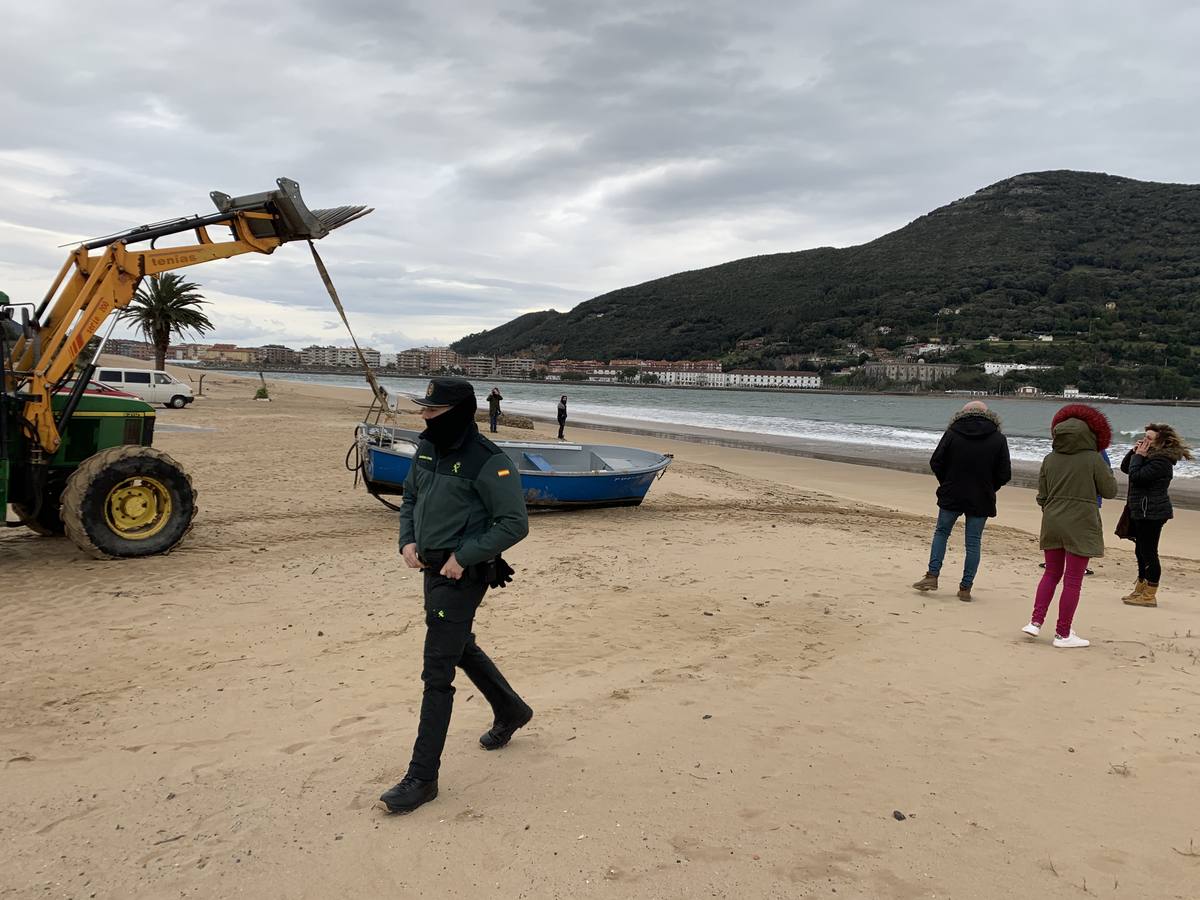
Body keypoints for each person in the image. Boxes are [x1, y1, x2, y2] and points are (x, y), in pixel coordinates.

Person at [380, 376, 532, 815]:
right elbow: (410, 496)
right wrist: (407, 541)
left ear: (458, 413)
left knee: (437, 671)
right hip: (430, 567)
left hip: (462, 574)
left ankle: (422, 778)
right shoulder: (427, 448)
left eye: (432, 410)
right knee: (457, 644)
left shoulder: (489, 461)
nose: (424, 416)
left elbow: (513, 524)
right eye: (424, 409)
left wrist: (463, 558)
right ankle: (511, 709)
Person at [1022, 404, 1117, 648]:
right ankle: (1063, 634)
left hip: (1052, 519)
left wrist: (1051, 508)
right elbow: (1110, 491)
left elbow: (1041, 496)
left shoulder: (1049, 459)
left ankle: (1035, 621)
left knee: (1051, 573)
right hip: (1082, 521)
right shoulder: (1094, 459)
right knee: (1073, 580)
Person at [912, 400, 1011, 601]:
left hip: (952, 492)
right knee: (973, 542)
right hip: (981, 496)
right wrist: (990, 487)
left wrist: (947, 481)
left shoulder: (952, 433)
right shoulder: (998, 438)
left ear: (962, 414)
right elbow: (1004, 473)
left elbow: (936, 462)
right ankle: (965, 588)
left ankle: (932, 575)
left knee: (942, 533)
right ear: (988, 414)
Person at [1119, 423, 1193, 608]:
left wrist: (1139, 456)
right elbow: (1126, 468)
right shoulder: (1147, 456)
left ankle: (1150, 593)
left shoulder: (1162, 462)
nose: (1145, 441)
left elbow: (1137, 476)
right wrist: (1134, 452)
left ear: (1161, 442)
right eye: (1144, 437)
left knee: (1149, 552)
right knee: (1140, 550)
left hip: (1152, 512)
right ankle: (1141, 587)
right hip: (1140, 510)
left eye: (1149, 439)